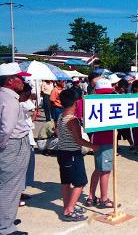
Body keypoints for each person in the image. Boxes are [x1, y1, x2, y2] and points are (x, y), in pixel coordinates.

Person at [56, 89, 99, 221]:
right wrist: (93, 146)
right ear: (76, 102)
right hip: (72, 154)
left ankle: (68, 206)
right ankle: (69, 211)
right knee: (80, 183)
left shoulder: (61, 116)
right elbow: (78, 140)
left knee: (66, 182)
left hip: (62, 153)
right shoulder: (72, 120)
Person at [0, 66, 31, 235]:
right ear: (9, 80)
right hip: (14, 144)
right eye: (19, 78)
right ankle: (5, 228)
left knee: (5, 184)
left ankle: (5, 219)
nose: (23, 82)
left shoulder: (4, 96)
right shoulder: (11, 100)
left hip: (10, 145)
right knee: (11, 186)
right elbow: (6, 130)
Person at [85, 79, 114, 209]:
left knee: (98, 169)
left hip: (96, 139)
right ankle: (103, 199)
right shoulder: (110, 102)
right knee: (105, 170)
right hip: (106, 140)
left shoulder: (91, 101)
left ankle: (91, 196)